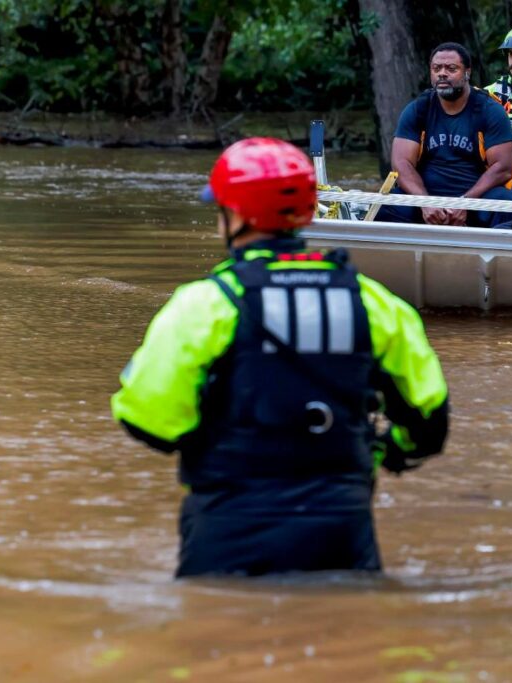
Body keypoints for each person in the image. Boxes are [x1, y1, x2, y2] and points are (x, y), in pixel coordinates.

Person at [111, 138, 449, 578]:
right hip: (340, 527)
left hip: (229, 527)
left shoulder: (205, 304)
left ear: (234, 215)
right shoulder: (375, 304)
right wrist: (381, 452)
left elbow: (147, 420)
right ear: (307, 212)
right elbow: (429, 424)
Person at [376, 42, 512, 228]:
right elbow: (401, 164)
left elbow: (503, 168)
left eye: (451, 68)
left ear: (467, 72)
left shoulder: (490, 110)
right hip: (425, 199)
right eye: (436, 68)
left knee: (506, 202)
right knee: (389, 203)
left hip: (476, 200)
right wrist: (425, 202)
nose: (442, 73)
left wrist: (465, 203)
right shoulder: (418, 108)